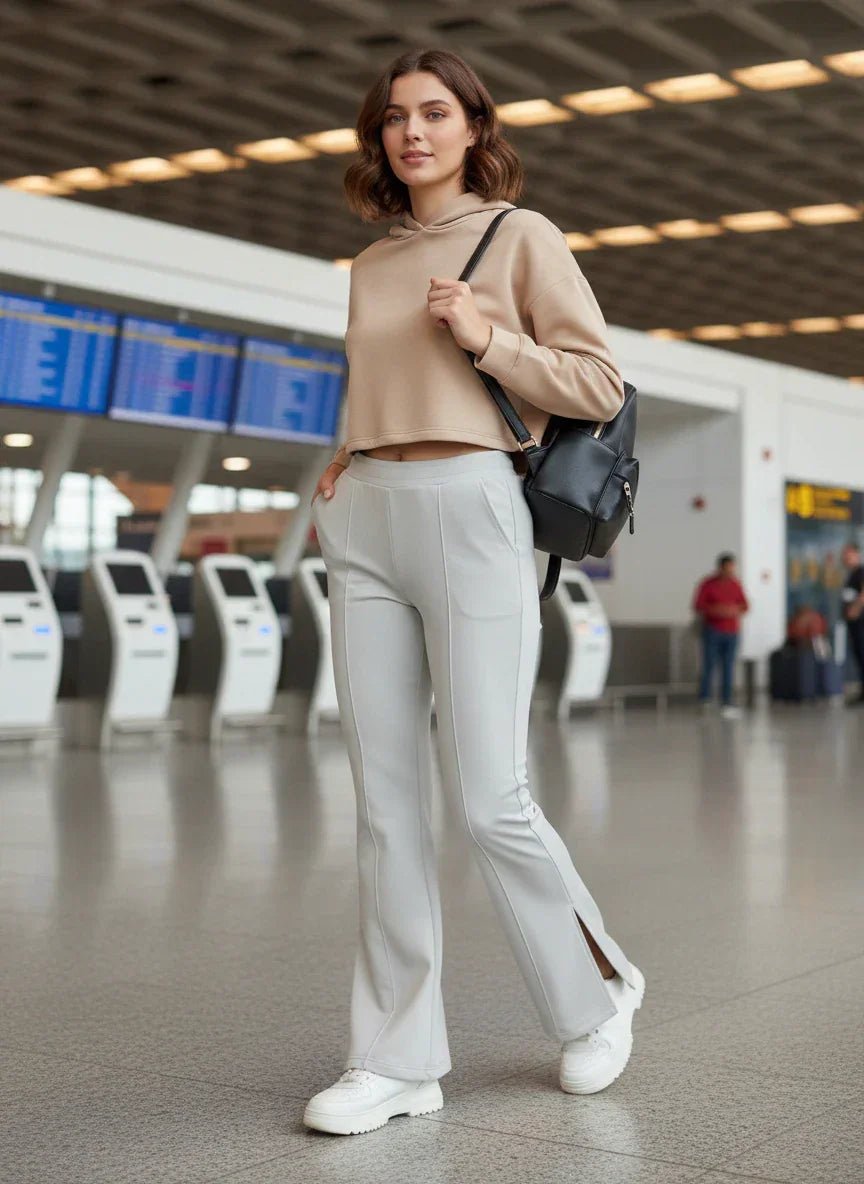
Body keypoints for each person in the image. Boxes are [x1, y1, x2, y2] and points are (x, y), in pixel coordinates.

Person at [302, 49, 644, 1138]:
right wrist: (346, 459)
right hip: (368, 514)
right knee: (384, 803)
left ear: (471, 127)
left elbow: (597, 382)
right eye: (395, 117)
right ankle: (397, 1056)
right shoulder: (366, 264)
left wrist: (488, 335)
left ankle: (597, 994)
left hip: (471, 504)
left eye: (434, 113)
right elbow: (382, 386)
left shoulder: (520, 236)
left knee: (492, 792)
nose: (412, 132)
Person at [693, 553, 749, 719]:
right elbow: (698, 605)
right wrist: (717, 610)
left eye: (732, 568)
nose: (730, 571)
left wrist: (734, 610)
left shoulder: (735, 585)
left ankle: (727, 701)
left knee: (728, 667)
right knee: (709, 665)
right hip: (713, 631)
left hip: (732, 632)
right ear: (720, 567)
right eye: (728, 568)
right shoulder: (708, 584)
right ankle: (705, 699)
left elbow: (745, 605)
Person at [840, 542, 864, 703]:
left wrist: (855, 609)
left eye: (848, 554)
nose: (845, 558)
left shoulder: (860, 572)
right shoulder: (851, 574)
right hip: (853, 625)